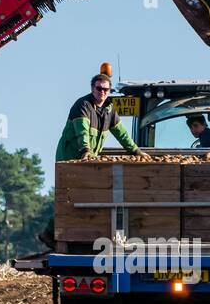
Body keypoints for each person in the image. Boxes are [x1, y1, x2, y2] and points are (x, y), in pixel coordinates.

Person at [38, 72, 145, 248]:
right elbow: (82, 132)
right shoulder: (83, 105)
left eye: (106, 89)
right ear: (92, 89)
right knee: (68, 197)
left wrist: (135, 151)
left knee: (83, 196)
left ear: (110, 91)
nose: (102, 92)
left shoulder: (110, 110)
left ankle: (70, 234)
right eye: (99, 88)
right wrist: (86, 150)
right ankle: (50, 233)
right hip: (71, 157)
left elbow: (121, 133)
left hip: (87, 158)